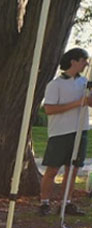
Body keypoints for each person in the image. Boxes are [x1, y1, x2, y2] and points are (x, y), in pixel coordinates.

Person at [39, 48, 92, 216]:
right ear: (73, 61)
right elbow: (49, 109)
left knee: (73, 170)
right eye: (84, 60)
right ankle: (44, 202)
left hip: (80, 130)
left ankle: (66, 203)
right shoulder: (55, 85)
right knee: (53, 169)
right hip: (60, 132)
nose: (86, 64)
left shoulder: (84, 82)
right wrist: (78, 103)